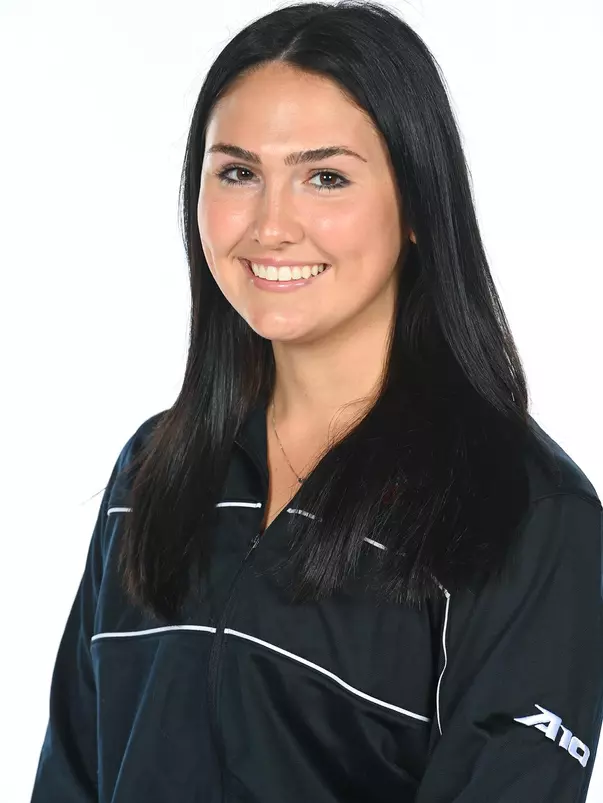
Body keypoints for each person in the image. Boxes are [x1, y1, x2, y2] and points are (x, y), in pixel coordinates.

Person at [30, 2, 603, 802]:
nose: (270, 225)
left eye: (324, 177)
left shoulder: (524, 514)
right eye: (237, 173)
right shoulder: (154, 472)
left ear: (415, 208)